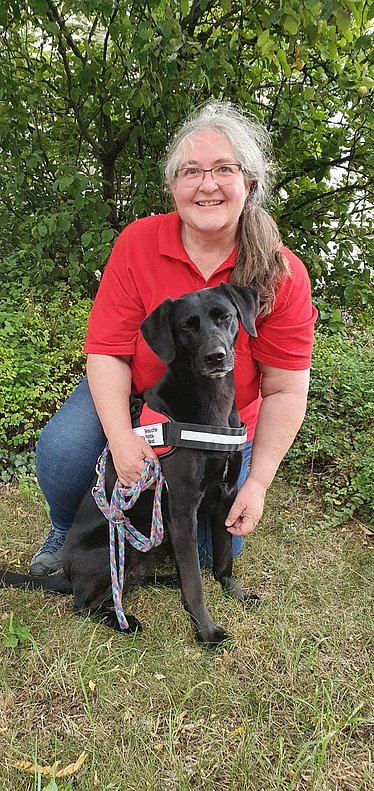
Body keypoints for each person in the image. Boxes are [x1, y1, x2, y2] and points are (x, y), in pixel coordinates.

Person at [30, 101, 317, 576]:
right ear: (173, 186)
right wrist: (123, 439)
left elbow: (286, 388)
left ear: (248, 182)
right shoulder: (139, 242)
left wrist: (259, 482)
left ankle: (155, 524)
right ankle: (66, 530)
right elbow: (106, 350)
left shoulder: (281, 272)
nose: (207, 184)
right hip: (141, 395)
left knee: (209, 556)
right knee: (63, 450)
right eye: (191, 171)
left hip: (217, 420)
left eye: (223, 169)